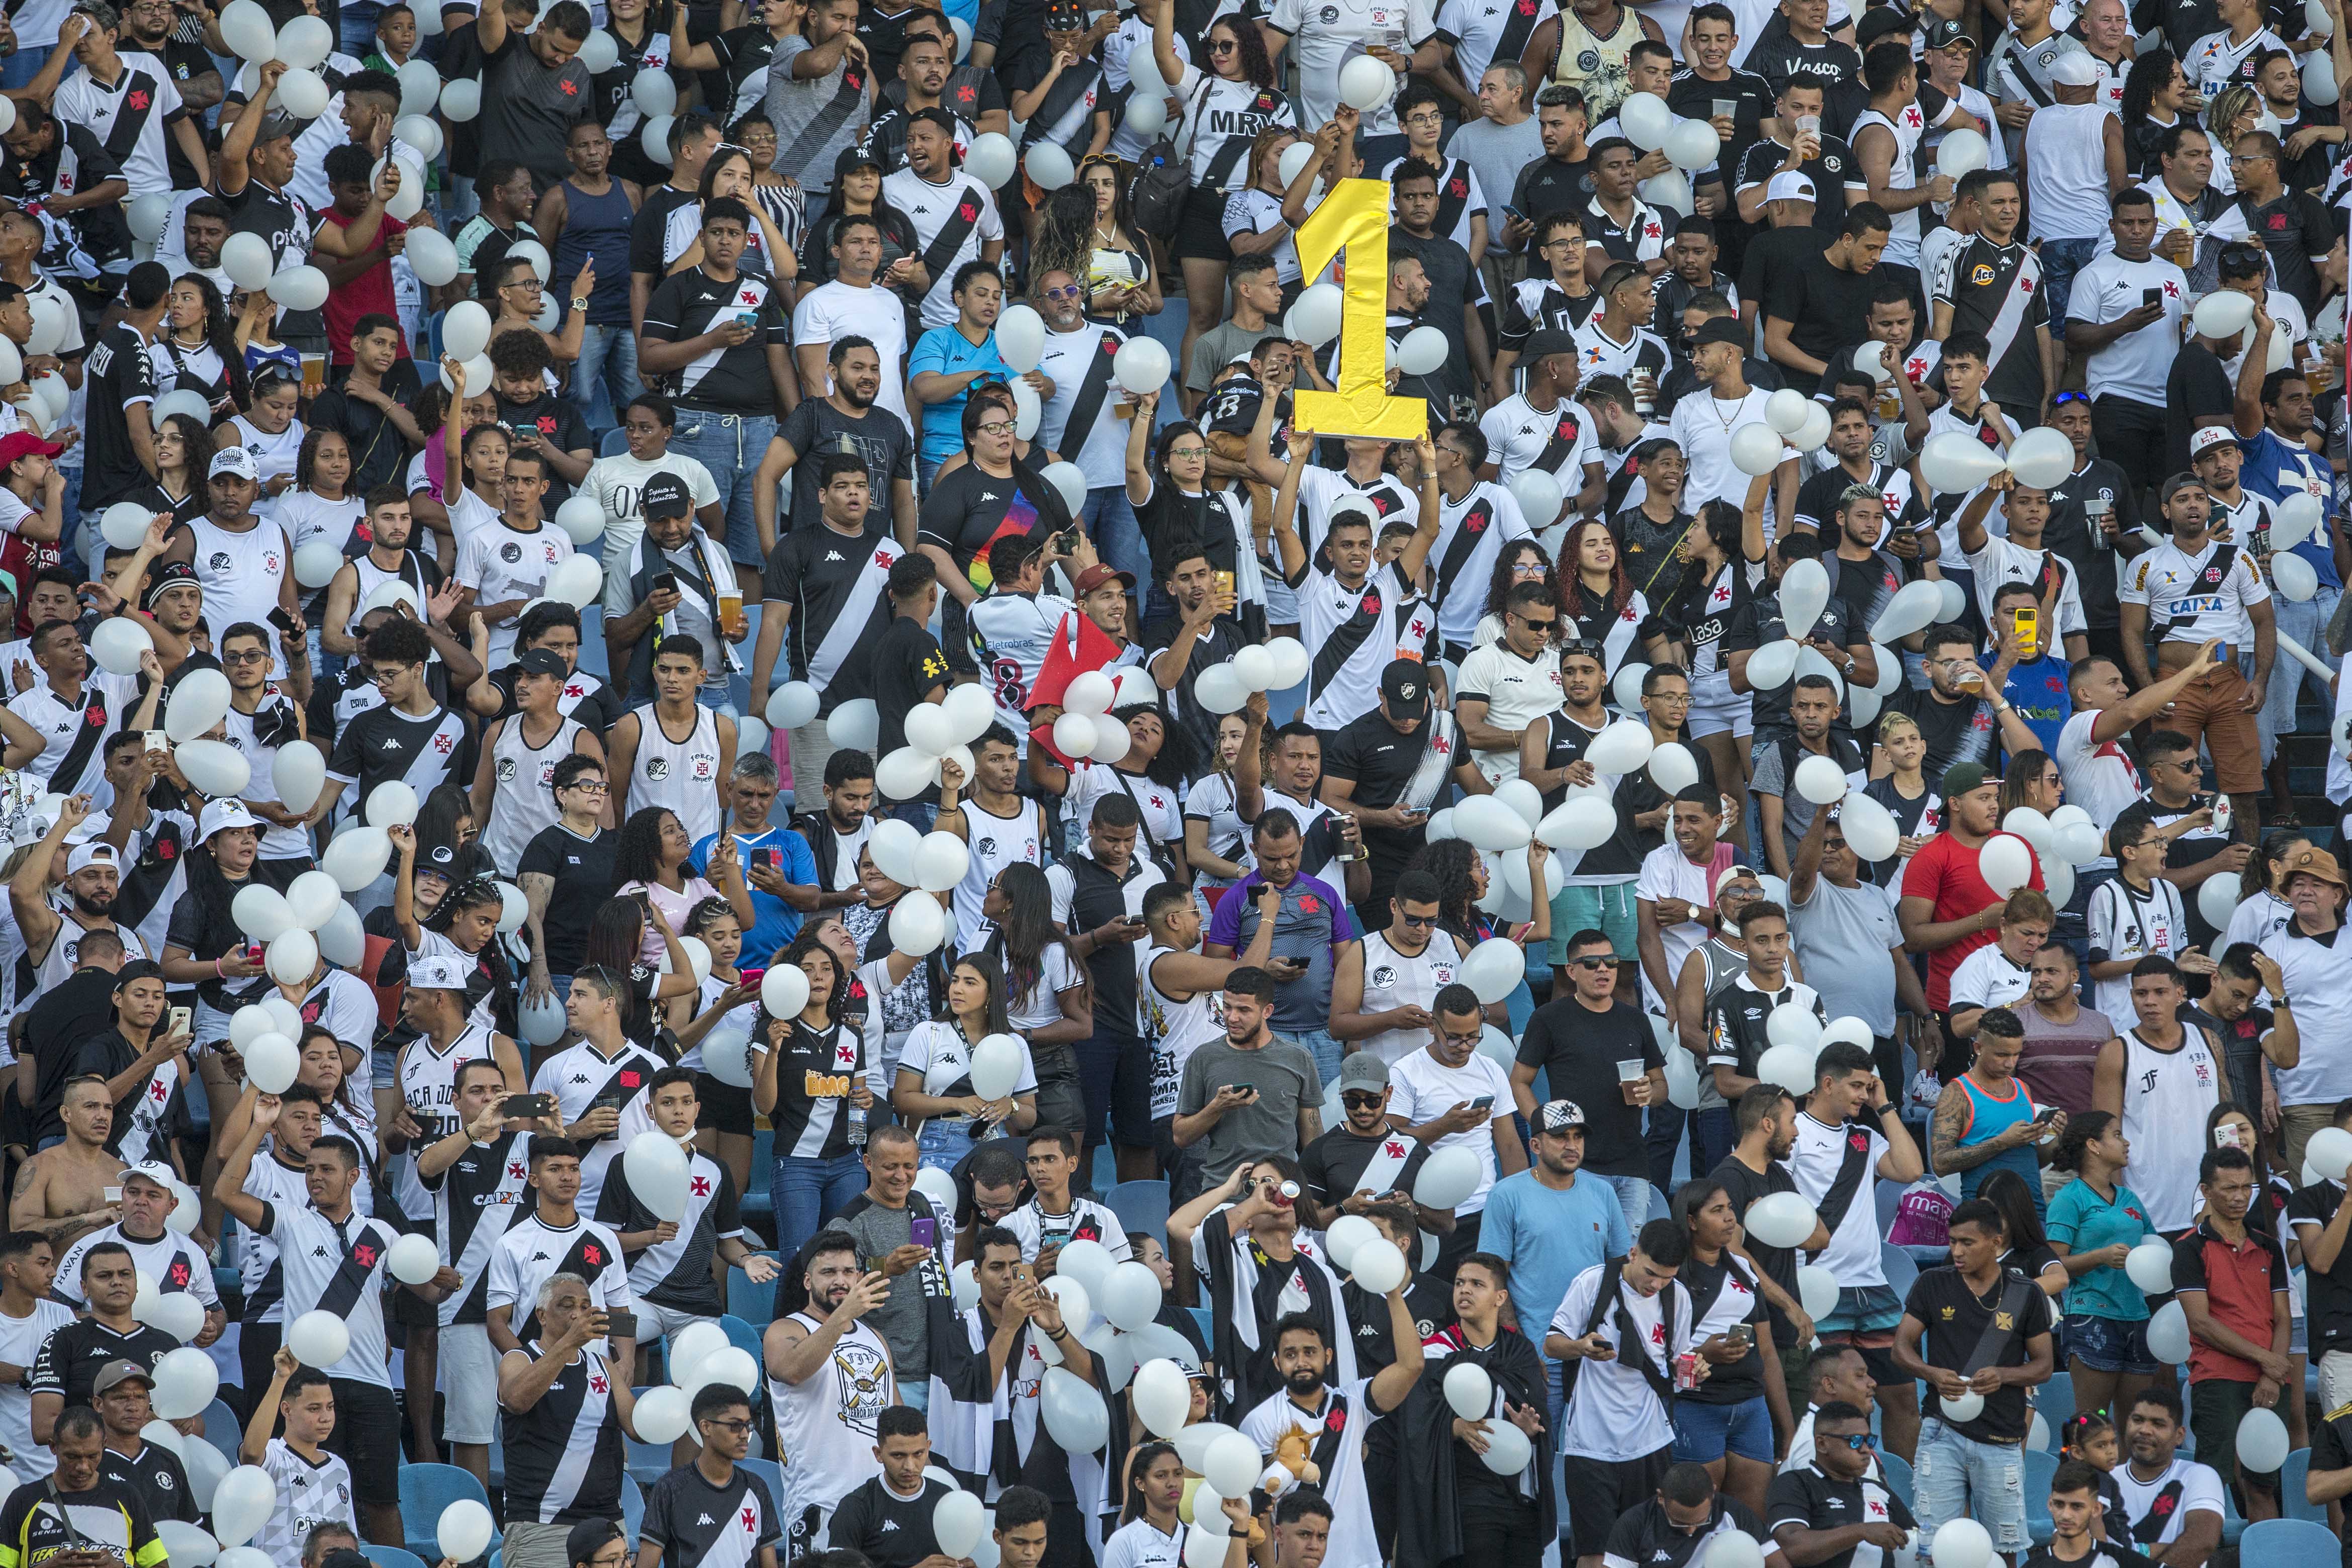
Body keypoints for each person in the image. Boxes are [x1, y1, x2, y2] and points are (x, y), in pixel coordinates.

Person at [1891, 1196, 2055, 1554]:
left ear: (1996, 1242)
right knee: (1934, 1548)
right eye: (1953, 1242)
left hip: (2001, 1434)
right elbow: (1901, 1348)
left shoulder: (2026, 1292)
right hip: (1940, 1430)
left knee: (2005, 1549)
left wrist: (2003, 1375)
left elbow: (2044, 1365)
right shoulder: (1932, 1283)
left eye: (1968, 1242)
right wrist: (1932, 1373)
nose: (1957, 1251)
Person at [1236, 1272, 1426, 1568]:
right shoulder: (1259, 1422)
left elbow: (1411, 1366)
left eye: (1310, 1352)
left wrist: (1392, 1293)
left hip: (1359, 1561)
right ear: (1277, 1363)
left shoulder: (1353, 1403)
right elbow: (1259, 1509)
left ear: (1328, 1356)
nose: (1301, 1362)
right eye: (1290, 1354)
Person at [2172, 1144, 2290, 1520]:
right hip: (2218, 1376)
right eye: (2229, 1188)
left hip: (2269, 1377)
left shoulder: (2269, 1246)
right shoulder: (2189, 1248)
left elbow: (2283, 1317)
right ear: (2206, 1191)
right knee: (2210, 1479)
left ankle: (2264, 1551)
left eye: (2246, 1187)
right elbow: (2201, 1322)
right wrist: (2267, 1360)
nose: (2240, 1197)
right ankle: (2198, 1550)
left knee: (2264, 1483)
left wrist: (2272, 1373)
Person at [2093, 958, 2226, 1235]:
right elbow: (2106, 1137)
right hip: (2147, 1203)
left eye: (2160, 992)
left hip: (2207, 1200)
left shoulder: (2209, 1040)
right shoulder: (2117, 1052)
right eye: (2141, 994)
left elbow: (2227, 1119)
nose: (2150, 1002)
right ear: (2132, 996)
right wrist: (2120, 1206)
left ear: (2180, 993)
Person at [0, 1404, 165, 1568]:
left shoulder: (127, 1496)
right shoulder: (23, 1500)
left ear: (104, 1445)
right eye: (72, 1457)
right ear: (53, 1447)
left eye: (92, 1456)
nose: (83, 1467)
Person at [638, 1385, 783, 1568]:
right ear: (706, 1427)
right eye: (735, 1426)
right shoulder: (670, 1488)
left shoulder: (756, 1487)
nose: (745, 1434)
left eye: (748, 1425)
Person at [1763, 1401, 1915, 1568]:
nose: (1866, 1449)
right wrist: (1862, 1531)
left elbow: (1916, 1541)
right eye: (1855, 1441)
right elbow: (1793, 1548)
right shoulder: (1795, 1484)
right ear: (1822, 1444)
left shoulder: (1880, 1490)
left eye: (1869, 1441)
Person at [827, 1404, 957, 1561]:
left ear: (928, 1448)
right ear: (878, 1454)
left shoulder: (946, 1498)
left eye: (918, 1454)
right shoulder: (855, 1508)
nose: (910, 1466)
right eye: (898, 1456)